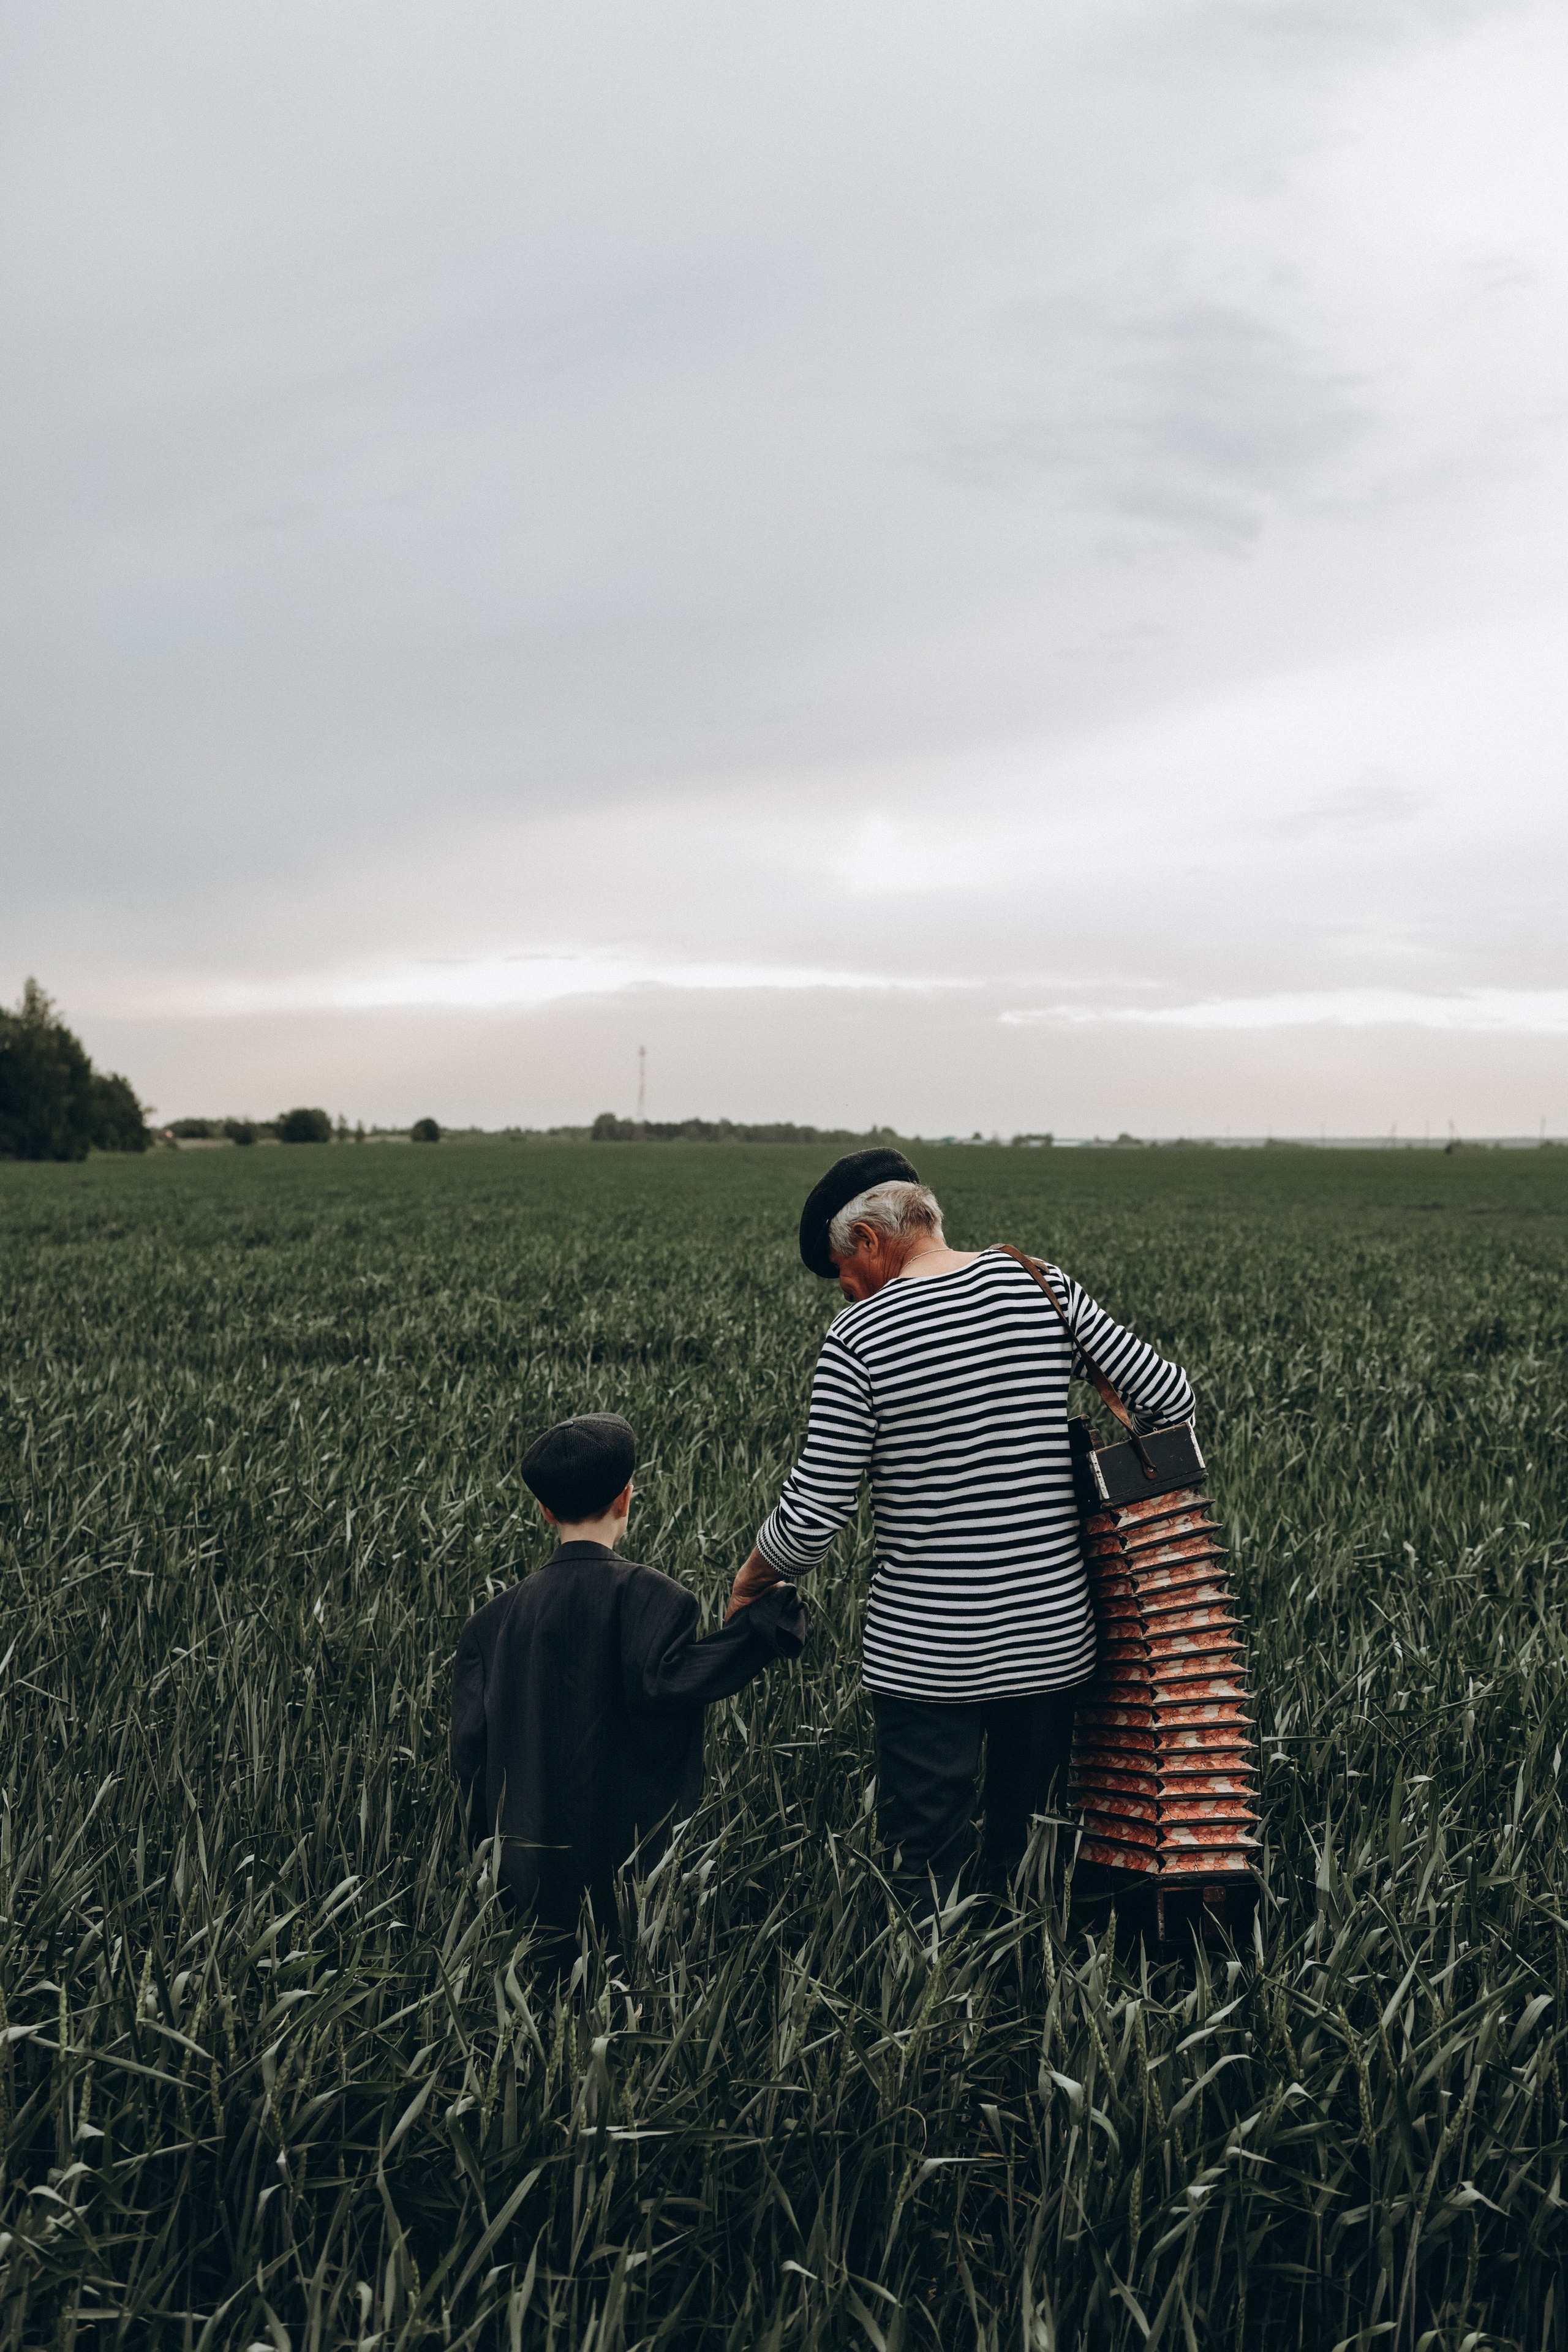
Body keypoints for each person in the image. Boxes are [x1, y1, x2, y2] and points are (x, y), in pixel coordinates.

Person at [726, 1148, 1194, 1914]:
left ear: (871, 1243)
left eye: (844, 1273)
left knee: (925, 1860)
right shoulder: (1040, 1284)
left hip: (927, 1658)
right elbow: (1171, 1401)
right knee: (1030, 1853)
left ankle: (930, 2016)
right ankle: (1027, 2006)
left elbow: (813, 1516)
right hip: (1050, 1642)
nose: (845, 1293)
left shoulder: (859, 1339)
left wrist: (750, 1581)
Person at [452, 1411, 809, 1960]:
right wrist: (766, 1620)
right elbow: (684, 1679)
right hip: (623, 1866)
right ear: (627, 1496)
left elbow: (470, 1753)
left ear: (544, 1510)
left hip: (526, 1874)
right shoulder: (656, 1598)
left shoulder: (492, 1621)